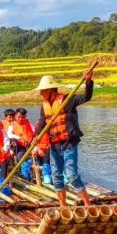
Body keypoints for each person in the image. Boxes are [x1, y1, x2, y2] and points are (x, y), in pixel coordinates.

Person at [34, 71, 94, 207]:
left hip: (68, 143)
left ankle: (88, 205)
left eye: (42, 90)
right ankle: (63, 207)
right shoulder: (44, 107)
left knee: (72, 175)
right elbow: (42, 122)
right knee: (56, 177)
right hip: (54, 145)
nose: (40, 93)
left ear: (50, 90)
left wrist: (88, 82)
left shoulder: (68, 100)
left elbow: (87, 96)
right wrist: (36, 136)